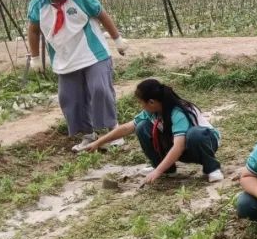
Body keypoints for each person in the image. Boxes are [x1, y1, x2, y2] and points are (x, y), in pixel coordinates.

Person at [28, 0, 128, 152]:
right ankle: (88, 136)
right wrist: (34, 57)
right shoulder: (38, 3)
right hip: (64, 58)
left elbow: (102, 14)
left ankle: (112, 132)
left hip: (92, 53)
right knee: (69, 98)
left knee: (99, 89)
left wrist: (117, 39)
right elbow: (33, 30)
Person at [83, 79, 223, 184]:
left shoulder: (178, 112)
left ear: (151, 102)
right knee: (142, 126)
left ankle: (212, 168)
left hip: (203, 143)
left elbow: (178, 146)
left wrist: (157, 172)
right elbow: (126, 128)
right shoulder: (153, 111)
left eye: (141, 102)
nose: (141, 105)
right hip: (180, 146)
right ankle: (168, 171)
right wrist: (98, 142)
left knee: (195, 134)